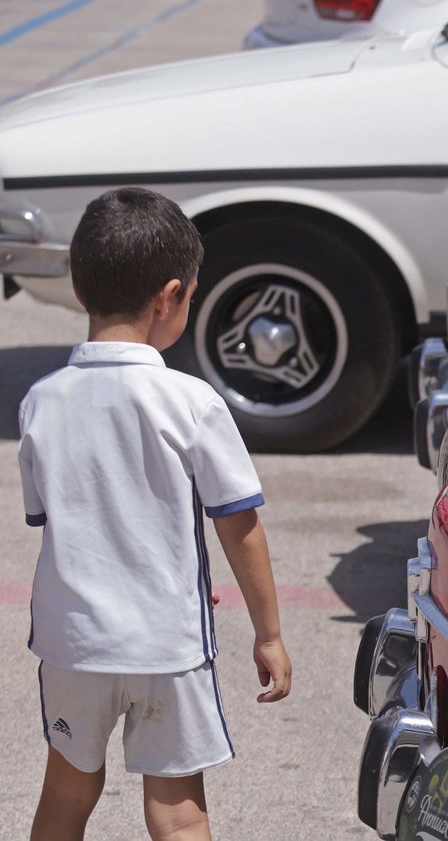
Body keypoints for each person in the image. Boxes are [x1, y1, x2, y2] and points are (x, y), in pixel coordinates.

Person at [16, 188, 292, 841]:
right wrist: (268, 634)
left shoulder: (41, 402)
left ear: (80, 289)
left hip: (74, 642)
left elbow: (55, 517)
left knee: (66, 792)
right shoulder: (191, 401)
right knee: (178, 813)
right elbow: (240, 526)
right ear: (170, 297)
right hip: (168, 645)